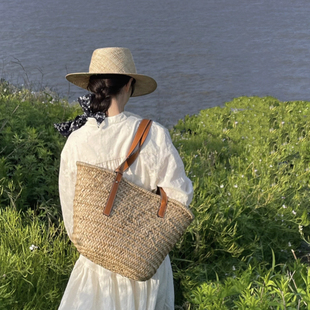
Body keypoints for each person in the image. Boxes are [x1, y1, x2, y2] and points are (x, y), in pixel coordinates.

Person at [55, 47, 193, 310]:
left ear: (93, 86)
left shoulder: (76, 140)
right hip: (143, 266)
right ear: (129, 84)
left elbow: (71, 218)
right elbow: (180, 198)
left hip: (94, 268)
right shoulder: (153, 134)